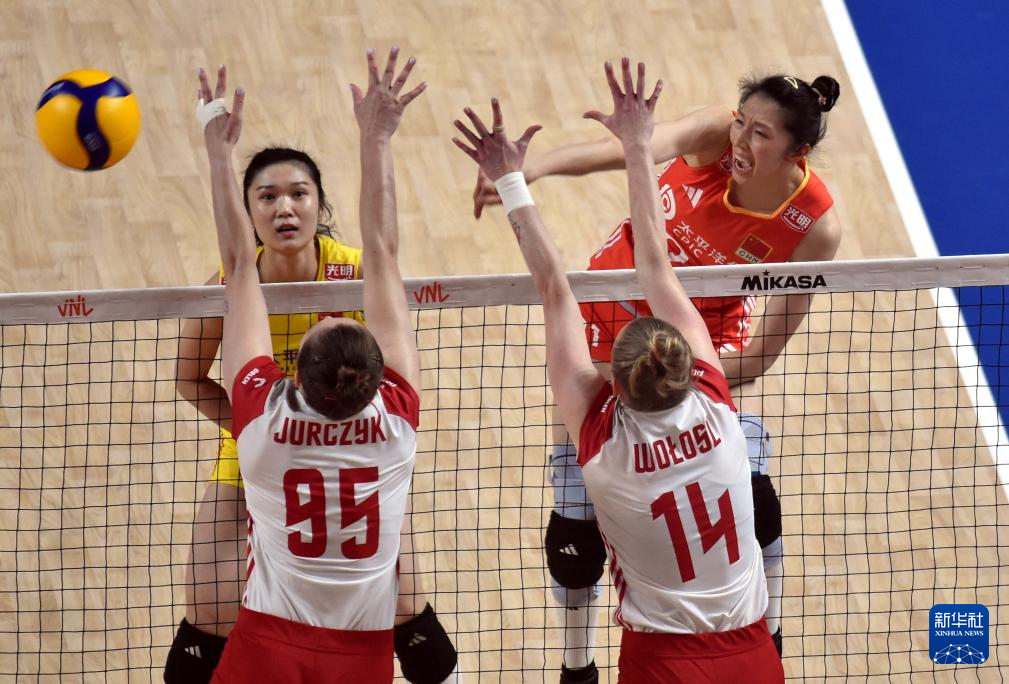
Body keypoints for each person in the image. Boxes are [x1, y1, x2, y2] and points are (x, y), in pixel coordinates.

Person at [472, 65, 841, 678]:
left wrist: (675, 383)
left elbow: (760, 355)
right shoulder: (715, 133)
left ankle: (770, 632)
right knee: (575, 510)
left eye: (761, 135)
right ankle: (576, 663)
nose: (741, 141)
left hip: (700, 342)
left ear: (797, 151)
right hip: (610, 314)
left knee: (757, 498)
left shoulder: (815, 226)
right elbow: (632, 150)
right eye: (742, 124)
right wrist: (536, 168)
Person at [164, 51, 459, 683]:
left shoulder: (352, 271)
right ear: (250, 212)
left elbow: (375, 254)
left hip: (328, 443)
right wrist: (250, 429)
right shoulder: (226, 285)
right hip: (258, 443)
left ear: (319, 204)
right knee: (207, 609)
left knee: (408, 606)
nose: (284, 208)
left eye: (299, 194)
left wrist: (216, 154)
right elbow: (189, 377)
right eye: (267, 197)